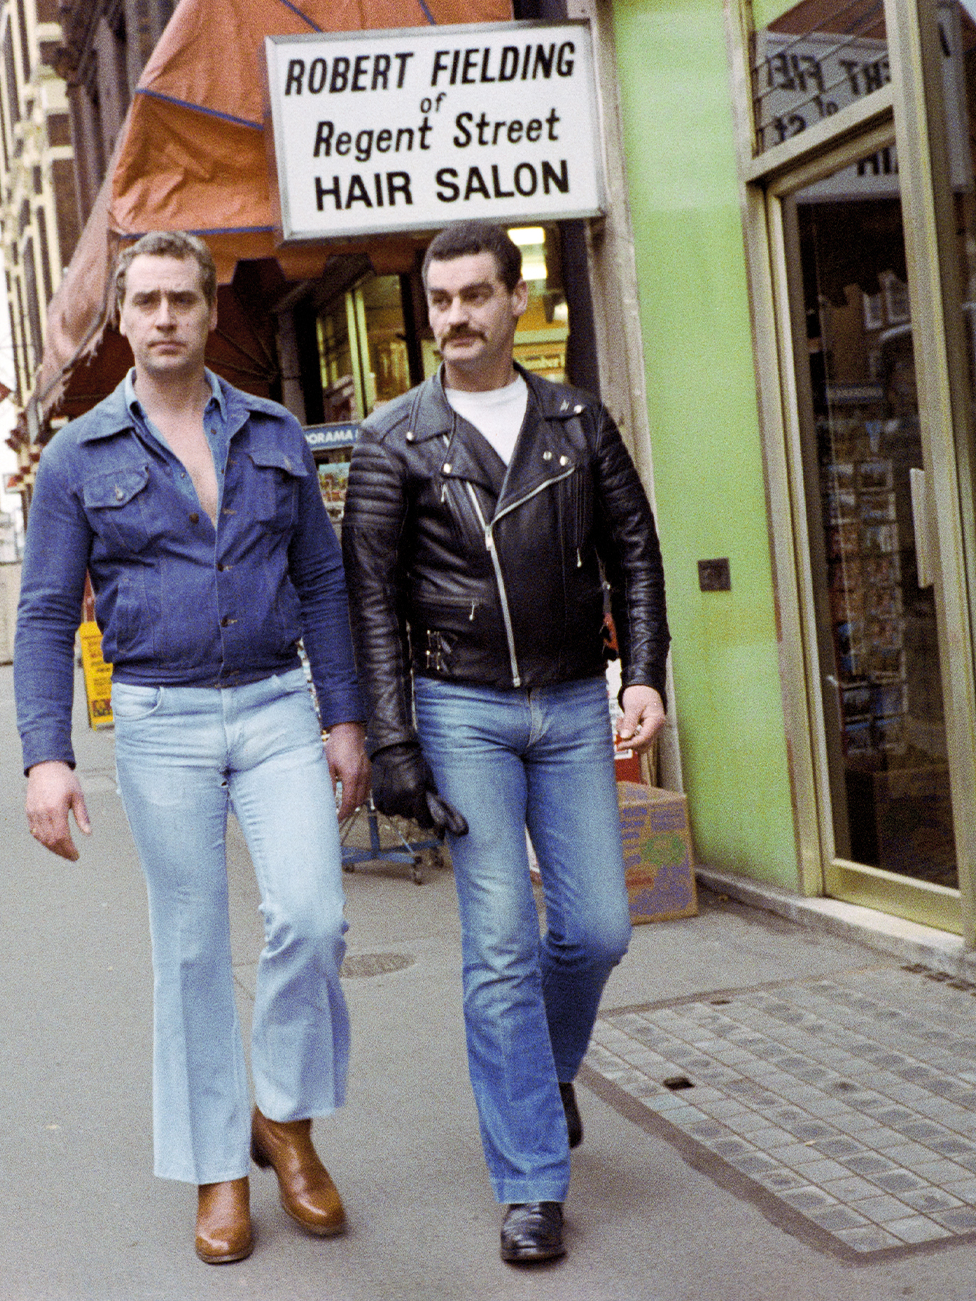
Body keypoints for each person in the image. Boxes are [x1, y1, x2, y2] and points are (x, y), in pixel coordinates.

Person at [15, 230, 370, 1265]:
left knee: (312, 912)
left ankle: (285, 1118)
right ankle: (220, 1164)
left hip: (272, 708)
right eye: (147, 300)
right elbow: (42, 614)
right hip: (160, 720)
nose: (165, 316)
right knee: (189, 947)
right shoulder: (78, 455)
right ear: (119, 317)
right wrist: (47, 753)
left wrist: (341, 716)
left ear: (212, 313)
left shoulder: (272, 433)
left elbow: (322, 581)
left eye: (184, 299)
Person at [341, 220, 669, 1264]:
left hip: (573, 704)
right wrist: (394, 748)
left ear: (513, 299)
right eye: (438, 301)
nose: (454, 318)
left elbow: (635, 551)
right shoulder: (393, 437)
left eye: (474, 295)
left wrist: (647, 672)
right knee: (495, 947)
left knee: (596, 929)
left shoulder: (576, 419)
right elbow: (371, 604)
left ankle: (543, 1065)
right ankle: (529, 1183)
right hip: (460, 708)